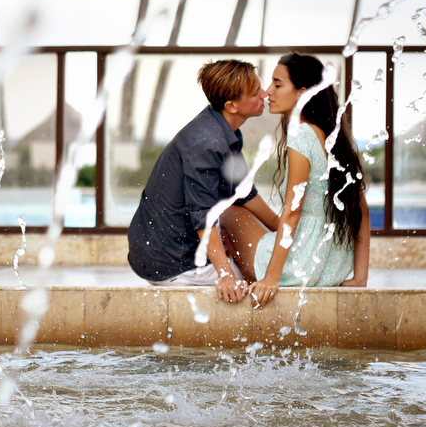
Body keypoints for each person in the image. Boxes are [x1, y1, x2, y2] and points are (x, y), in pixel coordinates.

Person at [219, 52, 370, 308]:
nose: (268, 92)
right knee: (262, 225)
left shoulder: (301, 134)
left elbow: (293, 210)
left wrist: (271, 278)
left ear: (301, 92)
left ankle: (234, 281)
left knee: (228, 214)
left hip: (300, 264)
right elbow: (362, 210)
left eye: (277, 84)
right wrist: (359, 277)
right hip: (332, 266)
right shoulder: (332, 136)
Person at [127, 59, 280, 303]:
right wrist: (226, 275)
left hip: (166, 251)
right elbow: (203, 217)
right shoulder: (207, 143)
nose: (265, 94)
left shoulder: (224, 131)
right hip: (170, 262)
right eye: (255, 92)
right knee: (261, 287)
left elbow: (244, 193)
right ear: (231, 105)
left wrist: (283, 228)